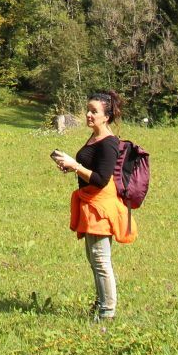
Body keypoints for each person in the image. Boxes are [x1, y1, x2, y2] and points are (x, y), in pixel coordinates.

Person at [52, 90, 136, 321]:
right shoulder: (94, 138)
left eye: (94, 111)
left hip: (100, 207)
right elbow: (92, 167)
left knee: (101, 261)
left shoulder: (108, 143)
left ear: (106, 116)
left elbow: (101, 179)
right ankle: (100, 303)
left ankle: (107, 314)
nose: (88, 115)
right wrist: (72, 165)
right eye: (88, 110)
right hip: (89, 203)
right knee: (94, 258)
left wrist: (75, 166)